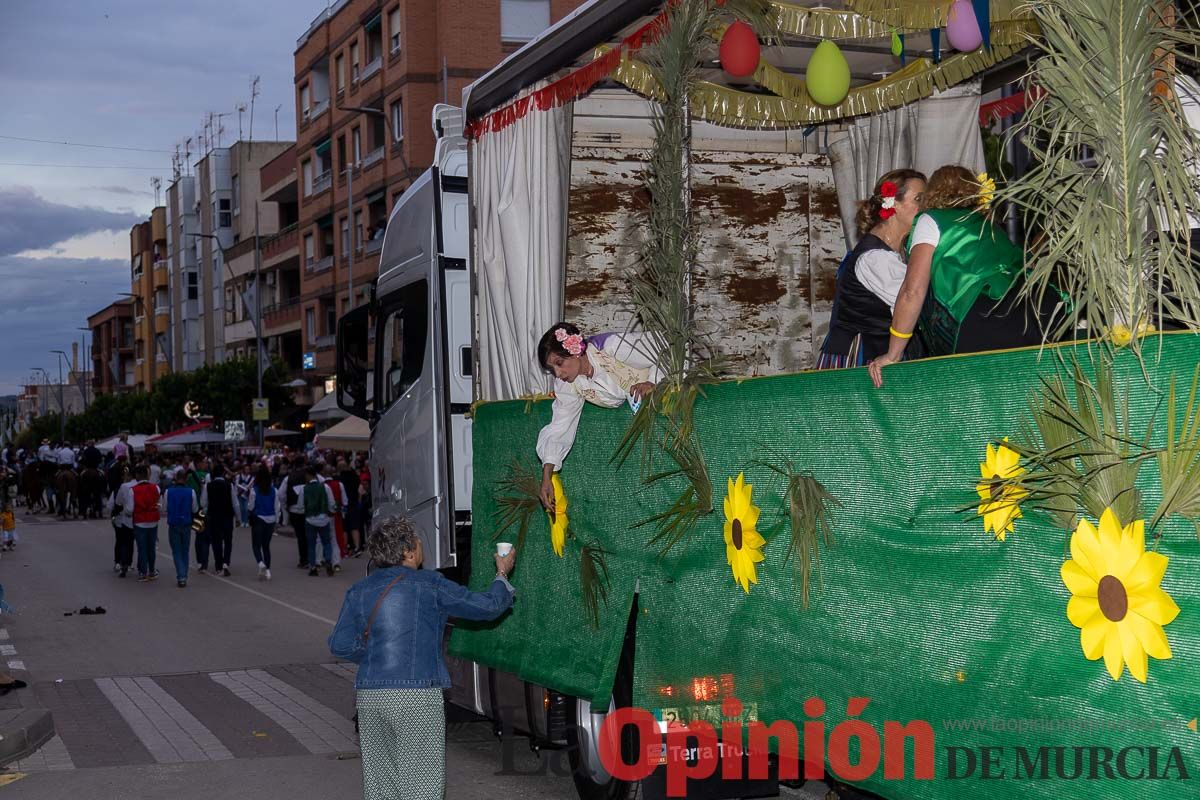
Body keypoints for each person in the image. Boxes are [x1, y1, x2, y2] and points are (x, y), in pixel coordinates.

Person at [328, 516, 516, 800]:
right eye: (417, 541)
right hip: (416, 697)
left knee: (381, 788)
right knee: (422, 785)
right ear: (409, 551)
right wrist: (502, 574)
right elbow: (487, 607)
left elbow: (340, 644)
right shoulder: (430, 584)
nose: (420, 545)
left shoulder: (360, 589)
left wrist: (375, 658)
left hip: (370, 696)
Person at [868, 165, 1049, 388]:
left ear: (933, 191)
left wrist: (893, 355)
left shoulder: (930, 220)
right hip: (1031, 315)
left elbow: (912, 291)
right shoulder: (987, 224)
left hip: (983, 319)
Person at [535, 322, 664, 511]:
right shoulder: (569, 384)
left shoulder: (610, 346)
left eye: (559, 363)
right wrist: (547, 477)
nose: (558, 373)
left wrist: (653, 382)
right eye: (551, 369)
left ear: (576, 349)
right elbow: (560, 426)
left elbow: (665, 348)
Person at [816, 169, 928, 370]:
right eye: (919, 199)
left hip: (877, 356)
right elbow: (915, 300)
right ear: (894, 204)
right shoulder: (875, 258)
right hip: (861, 357)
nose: (926, 207)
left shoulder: (898, 253)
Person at [122, 465, 160, 582]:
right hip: (153, 521)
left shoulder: (132, 490)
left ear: (137, 475)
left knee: (142, 548)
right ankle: (152, 571)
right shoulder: (156, 488)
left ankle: (143, 573)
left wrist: (127, 512)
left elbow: (129, 509)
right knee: (151, 548)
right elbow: (160, 505)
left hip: (139, 522)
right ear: (147, 475)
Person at [163, 471, 198, 588]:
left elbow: (164, 508)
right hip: (186, 524)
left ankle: (181, 575)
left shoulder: (168, 491)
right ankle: (184, 575)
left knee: (176, 551)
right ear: (186, 479)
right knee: (185, 550)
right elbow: (194, 509)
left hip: (174, 524)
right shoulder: (191, 491)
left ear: (176, 478)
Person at [303, 467, 337, 577]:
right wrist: (331, 511)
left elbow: (300, 506)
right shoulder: (325, 487)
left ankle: (313, 567)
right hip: (324, 519)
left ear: (309, 475)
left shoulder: (304, 488)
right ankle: (328, 560)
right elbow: (331, 503)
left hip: (310, 519)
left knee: (311, 544)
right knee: (326, 542)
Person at [205, 464, 238, 577]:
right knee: (228, 541)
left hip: (214, 517)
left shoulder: (208, 486)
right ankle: (226, 563)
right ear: (224, 474)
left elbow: (204, 503)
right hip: (227, 516)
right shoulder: (229, 486)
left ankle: (218, 565)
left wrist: (206, 513)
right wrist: (238, 517)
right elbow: (235, 503)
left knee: (216, 541)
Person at [248, 465, 278, 581]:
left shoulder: (254, 490)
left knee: (256, 544)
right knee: (266, 546)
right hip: (270, 519)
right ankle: (268, 571)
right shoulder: (274, 490)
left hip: (259, 518)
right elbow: (277, 507)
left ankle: (260, 563)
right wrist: (276, 521)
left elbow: (251, 506)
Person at [110, 461, 135, 578]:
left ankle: (118, 562)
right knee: (129, 542)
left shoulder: (119, 487)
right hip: (133, 519)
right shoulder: (135, 486)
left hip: (121, 518)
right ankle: (127, 563)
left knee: (120, 541)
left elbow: (112, 504)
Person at [283, 458, 309, 569]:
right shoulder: (310, 476)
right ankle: (313, 558)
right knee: (310, 534)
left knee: (300, 536)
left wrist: (286, 506)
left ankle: (303, 559)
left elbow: (281, 494)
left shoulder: (288, 478)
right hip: (309, 509)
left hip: (294, 510)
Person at [234, 463, 254, 527]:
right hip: (240, 494)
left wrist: (247, 489)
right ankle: (242, 521)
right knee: (241, 509)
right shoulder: (238, 476)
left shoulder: (252, 477)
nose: (247, 470)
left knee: (246, 508)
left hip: (247, 494)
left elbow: (251, 487)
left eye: (248, 469)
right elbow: (236, 484)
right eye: (245, 469)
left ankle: (246, 521)